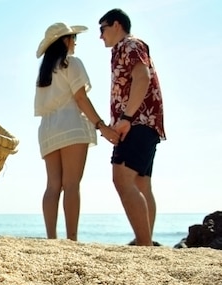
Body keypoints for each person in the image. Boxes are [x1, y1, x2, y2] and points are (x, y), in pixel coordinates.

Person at [35, 22, 119, 241]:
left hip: (47, 129)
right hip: (70, 125)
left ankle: (51, 239)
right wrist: (102, 126)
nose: (75, 43)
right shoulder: (71, 63)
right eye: (73, 38)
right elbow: (81, 98)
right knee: (71, 184)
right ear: (64, 41)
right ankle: (72, 239)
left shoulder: (44, 73)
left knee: (53, 185)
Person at [98, 9, 166, 246]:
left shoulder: (130, 44)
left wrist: (126, 118)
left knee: (122, 178)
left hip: (138, 122)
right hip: (146, 123)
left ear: (116, 25)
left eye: (102, 28)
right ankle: (145, 241)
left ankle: (144, 244)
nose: (100, 36)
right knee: (141, 183)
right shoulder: (122, 49)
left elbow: (143, 77)